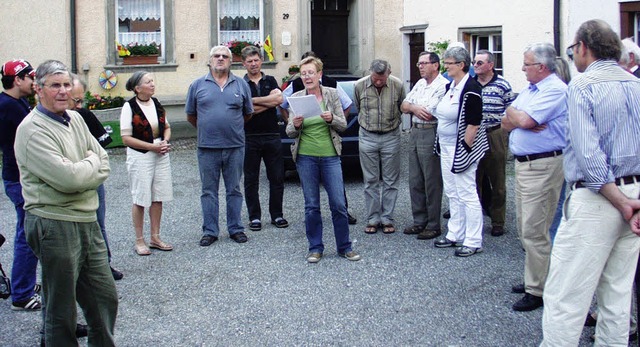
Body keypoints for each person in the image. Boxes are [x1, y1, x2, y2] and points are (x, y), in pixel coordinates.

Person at [541, 19, 640, 346]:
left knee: (566, 293)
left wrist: (621, 202)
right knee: (617, 294)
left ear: (583, 47)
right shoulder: (636, 84)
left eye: (573, 49)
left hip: (599, 198)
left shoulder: (582, 86)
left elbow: (589, 154)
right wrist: (632, 201)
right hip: (634, 195)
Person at [15, 59, 116, 346]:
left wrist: (85, 167)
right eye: (55, 85)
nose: (63, 91)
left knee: (104, 298)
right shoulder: (32, 129)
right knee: (61, 309)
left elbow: (104, 161)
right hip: (53, 222)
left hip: (87, 220)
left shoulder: (75, 119)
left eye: (66, 84)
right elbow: (69, 179)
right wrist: (89, 166)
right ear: (38, 90)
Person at [501, 43, 567, 312]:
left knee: (536, 228)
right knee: (525, 226)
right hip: (525, 165)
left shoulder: (555, 90)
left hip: (543, 165)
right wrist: (519, 117)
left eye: (526, 64)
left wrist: (520, 118)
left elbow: (524, 121)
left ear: (541, 67)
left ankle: (538, 289)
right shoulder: (531, 90)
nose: (522, 69)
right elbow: (507, 118)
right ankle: (534, 277)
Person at [285, 56, 361, 263]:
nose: (307, 76)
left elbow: (343, 125)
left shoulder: (333, 94)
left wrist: (332, 118)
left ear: (319, 74)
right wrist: (297, 124)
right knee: (311, 205)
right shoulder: (297, 97)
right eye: (303, 73)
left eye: (311, 72)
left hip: (330, 157)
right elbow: (289, 130)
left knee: (338, 204)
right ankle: (315, 248)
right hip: (305, 157)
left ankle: (345, 247)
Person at [186, 45, 253, 246]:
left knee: (234, 189)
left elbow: (247, 113)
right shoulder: (197, 85)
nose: (221, 59)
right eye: (217, 56)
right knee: (209, 191)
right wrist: (209, 128)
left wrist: (230, 127)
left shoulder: (241, 85)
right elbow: (191, 115)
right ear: (210, 60)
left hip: (235, 147)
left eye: (225, 56)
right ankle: (210, 231)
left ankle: (236, 228)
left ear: (231, 61)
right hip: (207, 148)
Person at [432, 46, 488, 257]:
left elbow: (473, 123)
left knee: (467, 192)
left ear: (461, 65)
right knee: (452, 191)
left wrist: (464, 148)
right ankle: (455, 233)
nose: (446, 67)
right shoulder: (452, 86)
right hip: (446, 146)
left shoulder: (472, 88)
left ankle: (473, 240)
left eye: (449, 63)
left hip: (461, 148)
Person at [69, 74, 122, 279]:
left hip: (92, 180)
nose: (78, 105)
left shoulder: (84, 116)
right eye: (76, 100)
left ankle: (104, 265)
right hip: (70, 182)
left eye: (81, 100)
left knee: (98, 223)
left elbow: (102, 147)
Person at [0, 59, 42, 311]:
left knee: (28, 234)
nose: (34, 82)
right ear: (17, 79)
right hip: (19, 179)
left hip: (19, 178)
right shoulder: (8, 107)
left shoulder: (18, 103)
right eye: (30, 78)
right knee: (27, 236)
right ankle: (22, 293)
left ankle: (22, 283)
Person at [120, 71, 174, 256]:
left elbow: (166, 127)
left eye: (152, 81)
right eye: (148, 81)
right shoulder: (129, 107)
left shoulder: (156, 103)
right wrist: (152, 147)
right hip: (140, 156)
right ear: (137, 88)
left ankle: (155, 237)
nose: (152, 84)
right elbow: (126, 138)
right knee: (140, 197)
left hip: (160, 153)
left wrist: (165, 141)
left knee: (158, 196)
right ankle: (139, 240)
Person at [354, 59, 406, 234]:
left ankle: (387, 218)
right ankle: (373, 218)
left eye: (381, 79)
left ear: (389, 73)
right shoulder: (360, 86)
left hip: (391, 135)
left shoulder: (398, 85)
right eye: (375, 78)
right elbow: (357, 106)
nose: (378, 82)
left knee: (391, 180)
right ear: (370, 73)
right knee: (371, 180)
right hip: (367, 136)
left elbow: (402, 106)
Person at [400, 51, 448, 240]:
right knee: (415, 179)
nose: (420, 66)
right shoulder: (420, 84)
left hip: (431, 131)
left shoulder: (443, 85)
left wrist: (414, 107)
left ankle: (434, 224)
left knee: (431, 180)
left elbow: (429, 112)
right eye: (419, 63)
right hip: (415, 131)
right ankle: (419, 220)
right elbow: (404, 106)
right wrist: (413, 107)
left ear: (435, 65)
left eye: (424, 63)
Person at [240, 45, 288, 232]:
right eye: (249, 61)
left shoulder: (271, 80)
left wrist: (252, 102)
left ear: (261, 60)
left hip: (272, 135)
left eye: (256, 60)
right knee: (251, 179)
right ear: (244, 63)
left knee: (276, 177)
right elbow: (244, 110)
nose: (254, 64)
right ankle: (254, 217)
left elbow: (278, 100)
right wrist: (267, 102)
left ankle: (277, 214)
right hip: (249, 137)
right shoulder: (241, 84)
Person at [472, 50, 516, 237]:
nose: (475, 65)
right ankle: (476, 220)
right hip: (474, 135)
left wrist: (506, 132)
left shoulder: (502, 85)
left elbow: (512, 109)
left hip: (494, 133)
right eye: (474, 62)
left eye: (480, 62)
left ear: (490, 65)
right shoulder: (470, 83)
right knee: (474, 180)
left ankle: (498, 220)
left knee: (497, 180)